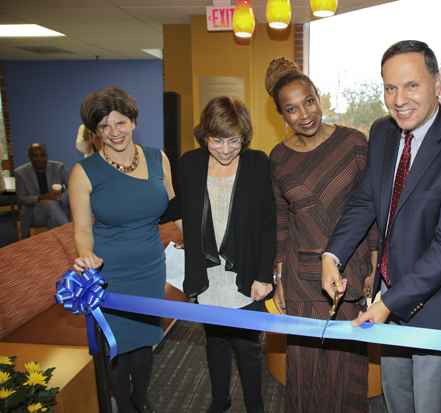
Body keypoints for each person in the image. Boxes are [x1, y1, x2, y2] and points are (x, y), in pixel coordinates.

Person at [321, 40, 441, 413]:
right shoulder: (382, 132)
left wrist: (389, 303)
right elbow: (367, 199)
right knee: (396, 397)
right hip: (388, 290)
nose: (400, 99)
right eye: (390, 87)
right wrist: (332, 254)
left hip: (438, 304)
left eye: (412, 85)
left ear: (437, 82)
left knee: (428, 406)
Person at [265, 57, 378, 413]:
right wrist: (279, 276)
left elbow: (371, 208)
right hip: (301, 275)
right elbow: (282, 219)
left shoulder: (354, 143)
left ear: (318, 96)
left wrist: (375, 263)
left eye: (308, 101)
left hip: (350, 269)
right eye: (292, 109)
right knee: (306, 362)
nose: (304, 114)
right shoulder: (279, 158)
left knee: (347, 361)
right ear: (281, 116)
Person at [161, 96, 276, 413]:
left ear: (244, 136)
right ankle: (219, 401)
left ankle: (255, 405)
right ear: (204, 136)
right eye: (217, 140)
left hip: (246, 271)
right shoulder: (190, 163)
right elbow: (182, 205)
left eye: (233, 140)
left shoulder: (257, 163)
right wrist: (141, 210)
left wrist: (264, 276)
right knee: (215, 342)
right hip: (207, 272)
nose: (225, 149)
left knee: (247, 347)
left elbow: (269, 224)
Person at [69, 86, 175, 413]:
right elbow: (83, 229)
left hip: (151, 267)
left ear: (133, 120)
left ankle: (140, 397)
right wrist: (87, 255)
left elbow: (174, 210)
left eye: (120, 123)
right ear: (94, 131)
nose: (114, 132)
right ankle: (124, 406)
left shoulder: (158, 158)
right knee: (117, 344)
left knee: (144, 340)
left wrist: (212, 245)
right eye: (104, 126)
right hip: (110, 271)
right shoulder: (84, 172)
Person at [14, 143, 71, 237]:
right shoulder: (20, 173)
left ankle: (53, 247)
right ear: (29, 157)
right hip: (35, 212)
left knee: (52, 220)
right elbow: (22, 198)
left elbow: (72, 187)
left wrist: (60, 198)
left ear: (46, 155)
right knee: (50, 204)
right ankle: (70, 232)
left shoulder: (58, 167)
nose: (39, 158)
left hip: (57, 210)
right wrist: (42, 197)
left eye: (42, 155)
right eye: (35, 156)